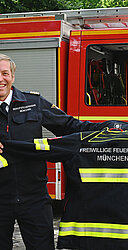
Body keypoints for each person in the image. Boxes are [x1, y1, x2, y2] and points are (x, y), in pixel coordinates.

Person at [0, 53, 97, 250]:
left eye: (5, 73)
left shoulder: (33, 103)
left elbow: (71, 126)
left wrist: (109, 129)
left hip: (34, 198)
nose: (0, 79)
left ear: (13, 76)